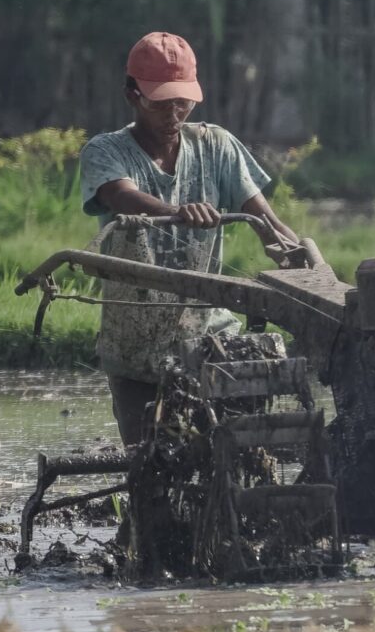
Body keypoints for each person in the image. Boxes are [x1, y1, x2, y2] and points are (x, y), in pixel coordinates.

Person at [78, 32, 301, 445]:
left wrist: (303, 263)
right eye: (160, 103)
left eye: (182, 102)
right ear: (132, 96)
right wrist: (177, 212)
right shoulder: (106, 151)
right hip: (136, 342)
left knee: (238, 450)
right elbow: (121, 196)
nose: (173, 114)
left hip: (212, 334)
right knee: (150, 461)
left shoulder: (216, 145)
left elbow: (265, 221)